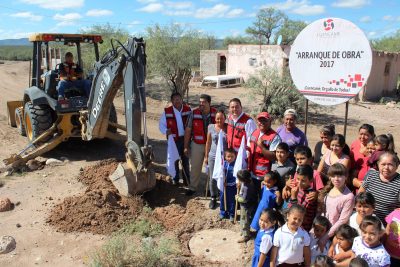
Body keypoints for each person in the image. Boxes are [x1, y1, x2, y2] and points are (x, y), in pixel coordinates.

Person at [184, 94, 216, 196]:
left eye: (204, 102)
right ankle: (193, 187)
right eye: (200, 102)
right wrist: (186, 146)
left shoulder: (216, 113)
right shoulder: (193, 113)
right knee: (195, 167)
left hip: (212, 146)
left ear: (209, 103)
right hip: (197, 144)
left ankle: (210, 190)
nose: (201, 104)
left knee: (211, 168)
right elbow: (188, 130)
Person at [159, 92, 192, 186]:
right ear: (172, 101)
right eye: (175, 99)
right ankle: (175, 178)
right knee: (175, 160)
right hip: (174, 140)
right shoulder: (167, 111)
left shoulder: (188, 109)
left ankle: (187, 180)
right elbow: (161, 124)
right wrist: (166, 130)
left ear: (182, 100)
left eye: (179, 99)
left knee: (185, 160)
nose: (177, 101)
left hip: (185, 139)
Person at [358, 152, 400, 224]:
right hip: (366, 221)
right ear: (378, 164)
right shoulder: (371, 175)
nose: (386, 168)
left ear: (396, 166)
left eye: (390, 164)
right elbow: (360, 194)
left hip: (387, 226)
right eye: (383, 164)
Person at [318, 163, 354, 246]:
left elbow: (342, 220)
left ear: (346, 177)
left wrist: (326, 236)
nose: (336, 179)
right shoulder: (328, 189)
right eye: (333, 176)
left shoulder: (348, 197)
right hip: (320, 229)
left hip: (333, 235)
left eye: (340, 176)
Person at [247, 111, 281, 195]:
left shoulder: (274, 137)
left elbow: (274, 156)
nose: (262, 123)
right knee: (252, 199)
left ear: (270, 121)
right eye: (260, 121)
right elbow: (249, 148)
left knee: (263, 201)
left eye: (265, 121)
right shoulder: (255, 132)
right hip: (252, 173)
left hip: (265, 178)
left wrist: (261, 147)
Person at [204, 109, 227, 209]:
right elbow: (208, 142)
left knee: (224, 176)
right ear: (215, 119)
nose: (219, 120)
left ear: (224, 118)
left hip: (225, 157)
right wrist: (206, 156)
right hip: (212, 156)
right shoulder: (210, 127)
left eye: (221, 118)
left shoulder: (228, 128)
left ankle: (222, 196)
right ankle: (213, 197)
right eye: (217, 118)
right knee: (212, 177)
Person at [288, 165, 318, 231]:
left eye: (303, 180)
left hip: (301, 230)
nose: (300, 183)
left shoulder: (311, 196)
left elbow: (298, 213)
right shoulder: (297, 189)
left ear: (311, 180)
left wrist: (293, 197)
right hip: (292, 226)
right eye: (298, 179)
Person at [350, 124, 375, 191]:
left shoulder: (375, 147)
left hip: (370, 184)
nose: (362, 137)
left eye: (366, 135)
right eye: (361, 134)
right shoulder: (354, 144)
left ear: (372, 136)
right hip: (354, 180)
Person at [236, 169, 257, 243]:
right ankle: (244, 231)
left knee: (244, 220)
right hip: (250, 204)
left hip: (246, 206)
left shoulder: (246, 187)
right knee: (244, 219)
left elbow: (244, 199)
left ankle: (246, 235)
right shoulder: (249, 181)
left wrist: (238, 198)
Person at [219, 148, 237, 222]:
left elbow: (236, 179)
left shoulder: (236, 166)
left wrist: (228, 184)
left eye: (232, 157)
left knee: (231, 201)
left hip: (231, 187)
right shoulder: (224, 164)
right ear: (225, 157)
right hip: (223, 186)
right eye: (228, 156)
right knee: (222, 198)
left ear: (235, 157)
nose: (230, 158)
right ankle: (223, 212)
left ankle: (231, 214)